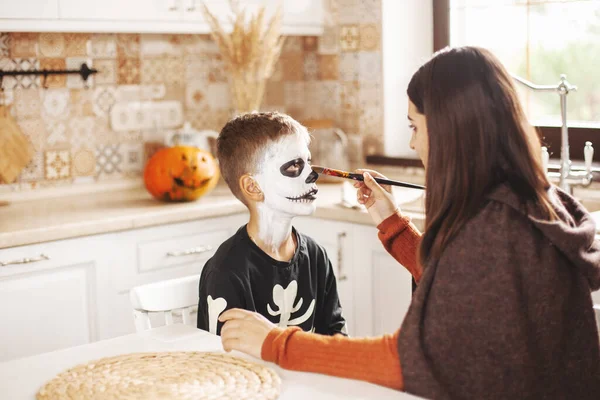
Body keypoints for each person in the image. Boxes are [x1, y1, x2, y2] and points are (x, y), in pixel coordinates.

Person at [217, 46, 600, 399]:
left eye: (415, 126)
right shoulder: (537, 201)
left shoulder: (493, 229)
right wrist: (393, 225)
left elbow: (408, 362)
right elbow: (475, 291)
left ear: (452, 129)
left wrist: (275, 342)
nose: (413, 144)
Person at [197, 112, 346, 337]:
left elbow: (335, 336)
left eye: (307, 162)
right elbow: (223, 361)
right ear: (253, 187)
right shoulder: (227, 271)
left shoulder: (316, 256)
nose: (311, 175)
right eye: (293, 167)